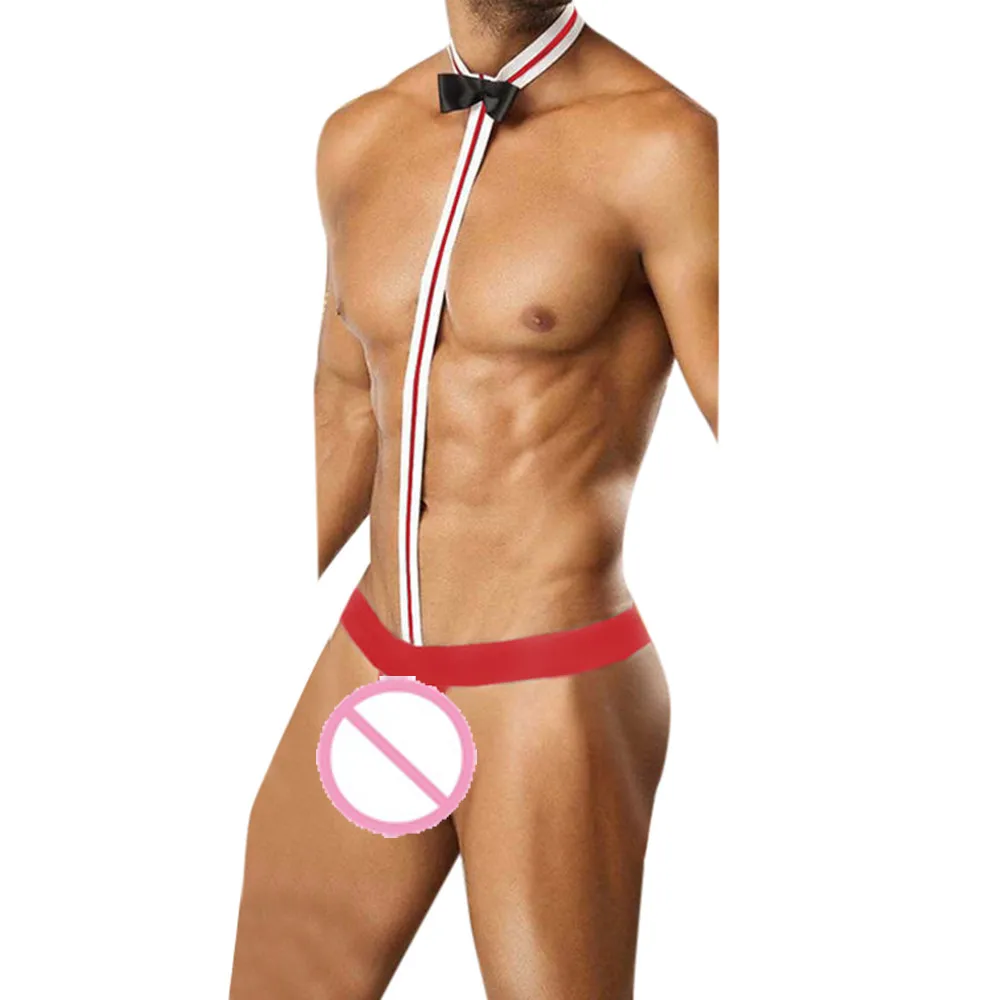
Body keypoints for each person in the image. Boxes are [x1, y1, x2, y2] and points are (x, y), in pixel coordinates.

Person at [229, 1, 717, 996]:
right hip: (371, 653)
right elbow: (343, 405)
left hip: (549, 681)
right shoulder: (358, 137)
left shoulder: (667, 145)